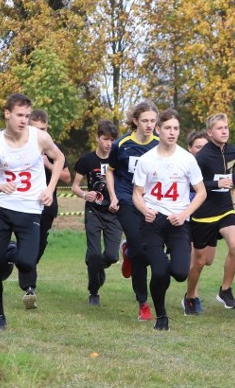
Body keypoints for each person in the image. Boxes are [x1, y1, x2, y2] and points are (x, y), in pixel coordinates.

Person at [0, 93, 65, 329]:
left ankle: (11, 252)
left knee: (27, 263)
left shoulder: (39, 138)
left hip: (30, 210)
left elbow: (59, 158)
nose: (23, 120)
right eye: (19, 115)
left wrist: (50, 188)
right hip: (3, 209)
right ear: (7, 114)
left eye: (27, 116)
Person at [132, 109, 207, 330]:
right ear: (158, 130)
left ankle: (162, 258)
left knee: (180, 273)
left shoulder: (187, 159)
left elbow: (201, 192)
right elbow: (137, 193)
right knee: (159, 271)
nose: (172, 132)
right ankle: (161, 315)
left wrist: (185, 214)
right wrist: (144, 209)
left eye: (175, 128)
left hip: (178, 222)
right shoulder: (146, 160)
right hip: (153, 221)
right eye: (167, 128)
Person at [184, 113, 235, 314]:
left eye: (226, 127)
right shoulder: (201, 157)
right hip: (203, 213)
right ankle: (190, 296)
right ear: (210, 133)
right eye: (220, 128)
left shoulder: (233, 151)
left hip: (225, 208)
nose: (224, 131)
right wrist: (216, 184)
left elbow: (232, 171)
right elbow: (193, 186)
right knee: (201, 262)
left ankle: (225, 290)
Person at [12, 109, 71, 309]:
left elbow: (67, 177)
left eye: (44, 129)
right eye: (36, 129)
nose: (41, 132)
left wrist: (47, 163)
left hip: (47, 206)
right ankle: (30, 289)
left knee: (38, 246)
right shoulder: (21, 147)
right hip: (26, 206)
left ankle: (15, 256)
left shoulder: (54, 148)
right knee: (28, 244)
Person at [106, 100, 159, 321]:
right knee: (140, 248)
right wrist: (114, 196)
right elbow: (110, 171)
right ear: (135, 121)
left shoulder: (159, 144)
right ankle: (143, 303)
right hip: (127, 200)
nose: (149, 125)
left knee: (147, 252)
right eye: (145, 121)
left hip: (151, 203)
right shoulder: (121, 144)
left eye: (153, 121)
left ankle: (127, 252)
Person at [71, 119, 123, 305]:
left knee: (112, 256)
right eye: (105, 139)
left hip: (114, 212)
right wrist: (85, 195)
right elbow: (75, 186)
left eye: (112, 140)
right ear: (97, 138)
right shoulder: (87, 160)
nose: (109, 143)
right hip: (93, 211)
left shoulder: (119, 159)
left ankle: (96, 267)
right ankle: (94, 291)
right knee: (93, 255)